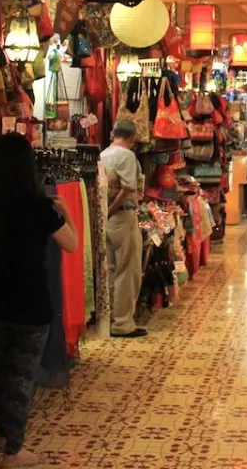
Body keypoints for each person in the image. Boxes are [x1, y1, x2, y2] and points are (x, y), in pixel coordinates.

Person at [0, 133, 79, 466]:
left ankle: (1, 434)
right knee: (22, 377)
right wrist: (67, 213)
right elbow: (72, 244)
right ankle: (14, 451)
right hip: (31, 303)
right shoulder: (40, 207)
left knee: (0, 372)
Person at [100, 119, 147, 339]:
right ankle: (123, 323)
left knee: (110, 269)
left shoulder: (104, 154)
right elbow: (128, 187)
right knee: (127, 271)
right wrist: (111, 210)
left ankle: (110, 319)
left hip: (107, 220)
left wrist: (104, 213)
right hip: (122, 215)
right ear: (132, 138)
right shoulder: (126, 156)